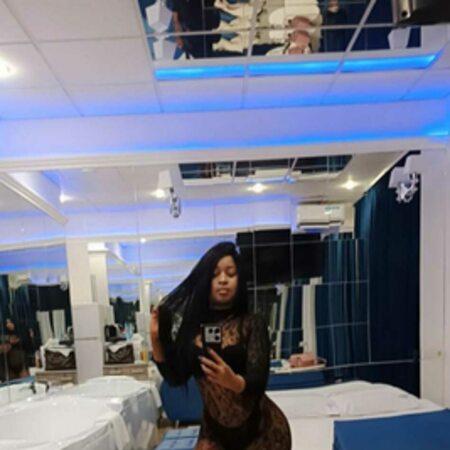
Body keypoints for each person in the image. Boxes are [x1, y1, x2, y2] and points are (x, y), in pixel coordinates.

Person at [151, 242, 291, 450]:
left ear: (239, 280)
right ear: (205, 280)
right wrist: (156, 338)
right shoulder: (192, 328)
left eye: (231, 273)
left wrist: (233, 381)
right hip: (215, 431)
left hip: (263, 430)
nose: (223, 280)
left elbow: (259, 381)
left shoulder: (252, 323)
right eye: (215, 274)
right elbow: (175, 377)